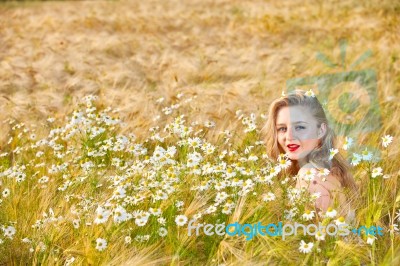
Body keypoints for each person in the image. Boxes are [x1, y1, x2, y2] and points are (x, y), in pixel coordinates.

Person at [263, 89, 358, 221]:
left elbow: (323, 237)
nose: (289, 137)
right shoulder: (327, 168)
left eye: (300, 127)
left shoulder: (310, 175)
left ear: (321, 130)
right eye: (282, 129)